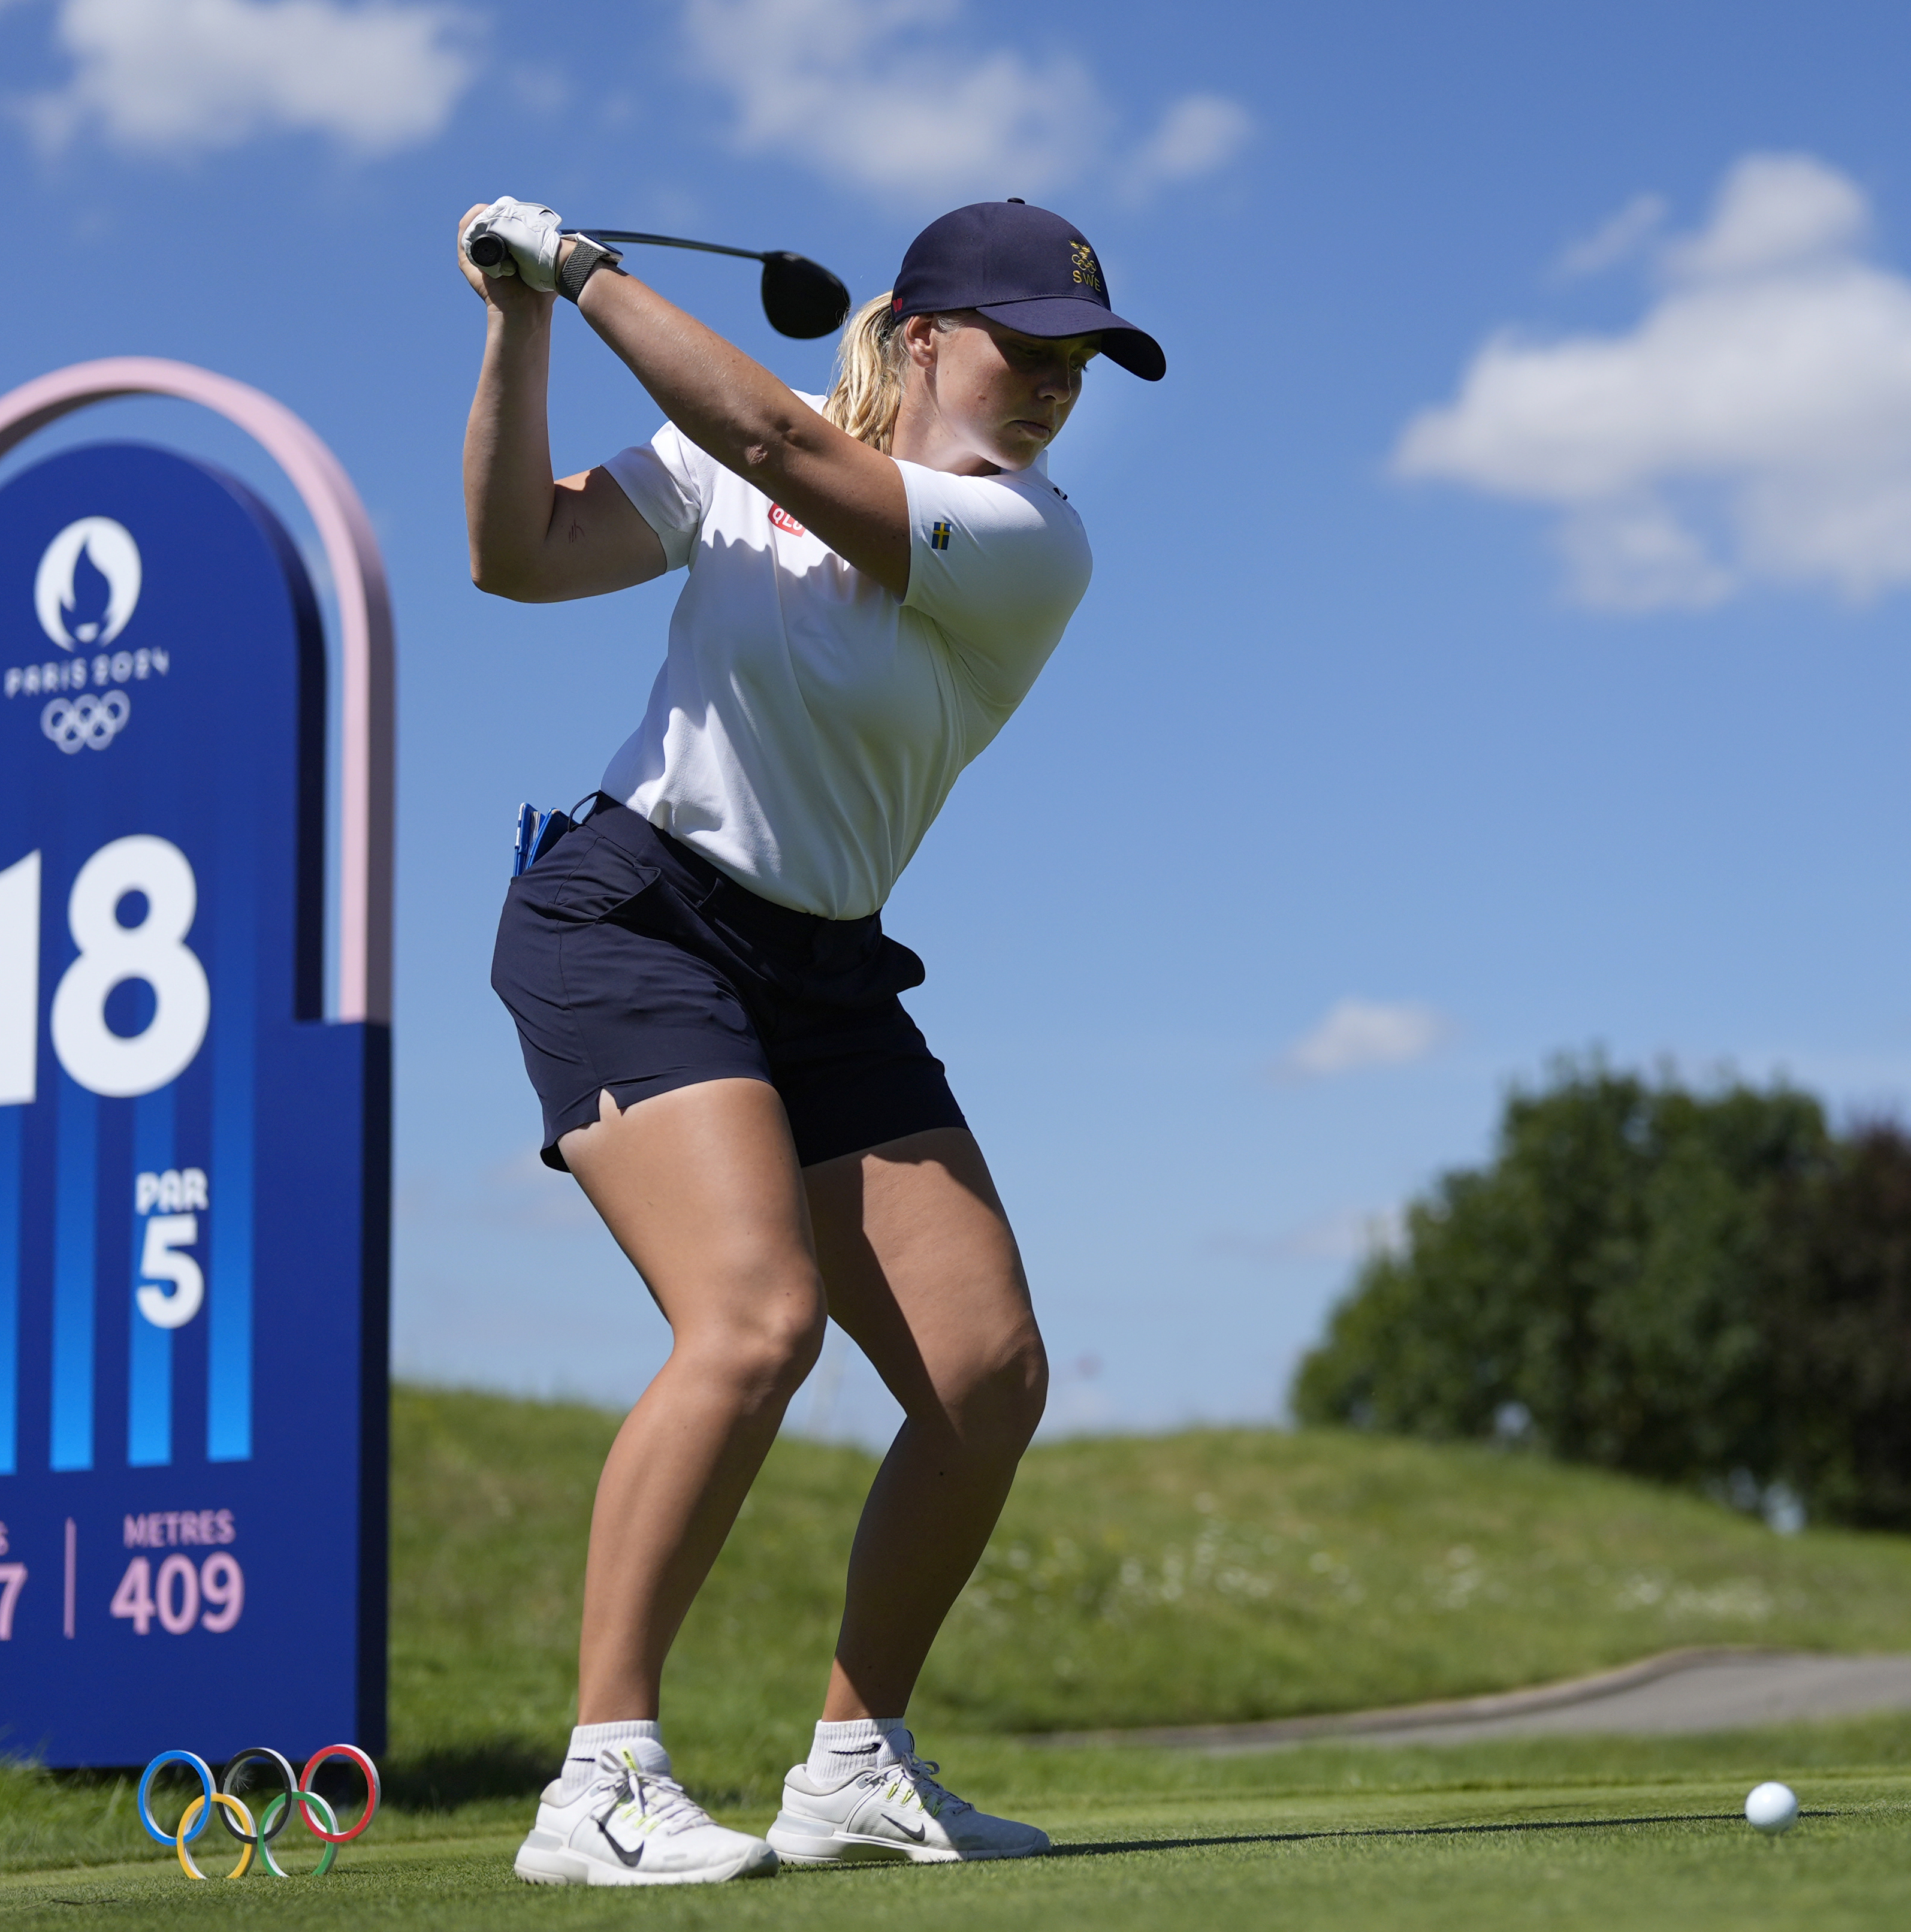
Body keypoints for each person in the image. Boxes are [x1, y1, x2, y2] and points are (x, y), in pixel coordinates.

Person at [457, 194, 1164, 1886]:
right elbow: (517, 556)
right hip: (632, 920)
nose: (1060, 384)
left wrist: (583, 265)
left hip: (823, 965)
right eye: (1029, 346)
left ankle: (854, 1763)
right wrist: (522, 321)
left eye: (1084, 362)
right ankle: (600, 1780)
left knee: (983, 1377)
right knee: (753, 1323)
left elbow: (769, 431)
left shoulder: (1026, 536)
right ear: (920, 334)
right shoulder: (725, 470)